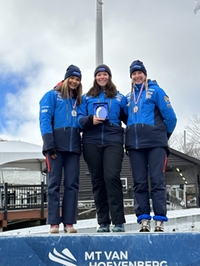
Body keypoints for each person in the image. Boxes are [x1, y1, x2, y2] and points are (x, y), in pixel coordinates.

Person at [125, 60, 177, 232]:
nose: (137, 76)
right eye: (134, 74)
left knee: (157, 181)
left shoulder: (156, 91)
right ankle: (144, 219)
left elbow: (171, 117)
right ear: (131, 77)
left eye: (140, 73)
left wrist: (162, 135)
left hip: (156, 144)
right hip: (135, 146)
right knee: (139, 183)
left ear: (145, 75)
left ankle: (160, 220)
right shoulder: (128, 97)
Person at [78, 64, 127, 233]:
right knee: (97, 181)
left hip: (113, 139)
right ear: (95, 77)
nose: (102, 77)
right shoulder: (86, 98)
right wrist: (90, 120)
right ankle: (103, 222)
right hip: (92, 140)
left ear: (109, 76)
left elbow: (131, 117)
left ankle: (118, 221)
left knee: (112, 177)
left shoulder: (120, 97)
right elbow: (78, 119)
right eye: (99, 74)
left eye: (105, 74)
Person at [39, 65, 82, 234]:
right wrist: (49, 144)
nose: (74, 81)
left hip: (73, 148)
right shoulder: (51, 95)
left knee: (72, 185)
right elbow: (44, 119)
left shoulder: (78, 99)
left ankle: (69, 223)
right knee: (54, 184)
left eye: (77, 79)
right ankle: (54, 223)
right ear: (66, 79)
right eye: (72, 78)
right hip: (55, 147)